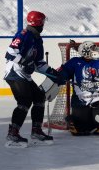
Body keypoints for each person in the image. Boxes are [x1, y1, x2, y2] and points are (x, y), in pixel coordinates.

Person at [4, 11, 59, 148]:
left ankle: (36, 131)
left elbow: (38, 63)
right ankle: (13, 134)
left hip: (24, 75)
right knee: (24, 102)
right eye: (43, 22)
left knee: (39, 97)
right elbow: (10, 52)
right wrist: (24, 61)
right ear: (39, 23)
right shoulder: (24, 35)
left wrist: (53, 73)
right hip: (14, 73)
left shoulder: (37, 39)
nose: (44, 25)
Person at [58, 40, 99, 136]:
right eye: (93, 48)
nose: (96, 50)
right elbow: (63, 72)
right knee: (79, 129)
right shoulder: (75, 62)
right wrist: (61, 75)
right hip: (80, 101)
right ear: (86, 51)